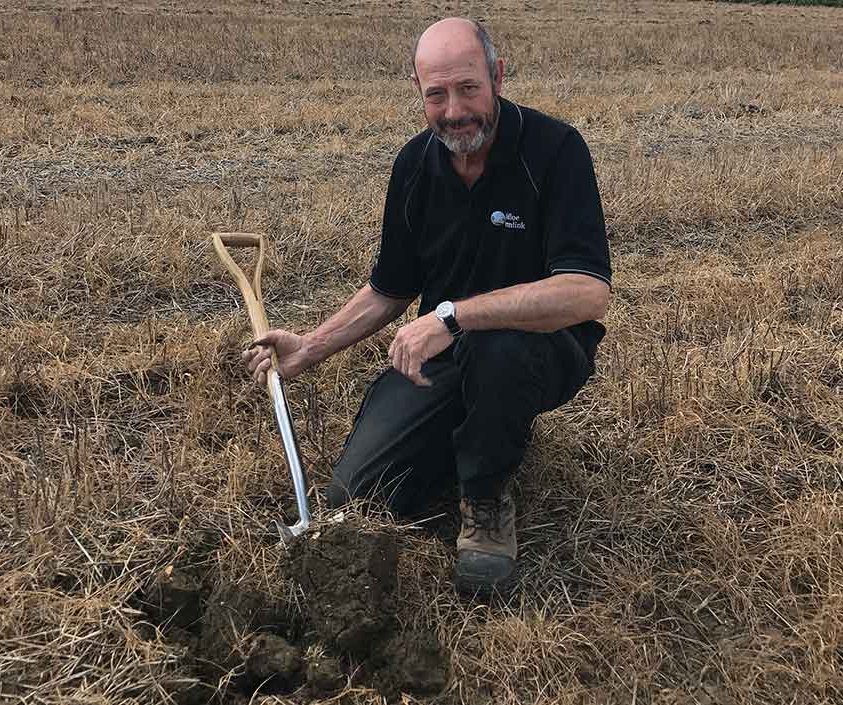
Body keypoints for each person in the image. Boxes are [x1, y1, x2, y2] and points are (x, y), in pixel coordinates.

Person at [243, 17, 611, 596]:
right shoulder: (415, 166)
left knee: (499, 346)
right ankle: (482, 432)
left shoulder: (555, 151)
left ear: (496, 76)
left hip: (539, 349)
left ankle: (486, 501)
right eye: (436, 94)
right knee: (355, 498)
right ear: (419, 93)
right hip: (443, 356)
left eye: (468, 88)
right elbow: (391, 288)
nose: (454, 109)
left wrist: (451, 316)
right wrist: (310, 346)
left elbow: (587, 291)